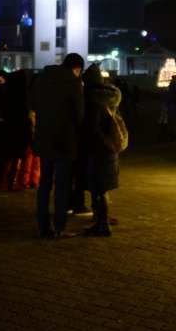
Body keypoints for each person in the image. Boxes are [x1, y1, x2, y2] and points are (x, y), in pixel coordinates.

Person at [28, 52, 85, 239]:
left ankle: (42, 225)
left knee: (44, 183)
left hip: (44, 137)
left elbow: (33, 104)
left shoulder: (42, 79)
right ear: (77, 69)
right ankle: (60, 227)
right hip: (65, 139)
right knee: (62, 186)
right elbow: (79, 115)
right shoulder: (74, 83)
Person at [79, 64, 121, 237]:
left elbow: (92, 128)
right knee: (100, 188)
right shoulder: (108, 98)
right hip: (107, 151)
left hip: (98, 151)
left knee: (98, 188)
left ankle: (103, 224)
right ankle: (102, 222)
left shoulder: (95, 102)